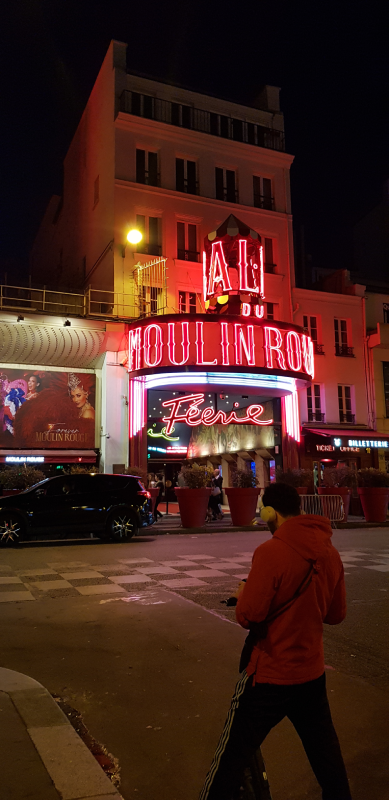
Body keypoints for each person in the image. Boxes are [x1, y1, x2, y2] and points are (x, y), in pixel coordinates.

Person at [199, 482, 352, 800]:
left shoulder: (271, 552)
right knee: (328, 760)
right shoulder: (330, 551)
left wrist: (243, 596)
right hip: (311, 672)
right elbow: (336, 614)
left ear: (269, 512)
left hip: (269, 673)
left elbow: (249, 616)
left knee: (231, 757)